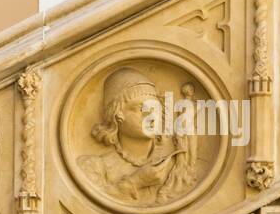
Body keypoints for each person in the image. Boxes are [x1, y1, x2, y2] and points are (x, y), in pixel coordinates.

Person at [77, 66, 198, 206]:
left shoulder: (177, 165)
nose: (151, 117)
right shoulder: (94, 167)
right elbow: (90, 205)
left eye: (155, 109)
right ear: (117, 115)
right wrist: (137, 182)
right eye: (141, 109)